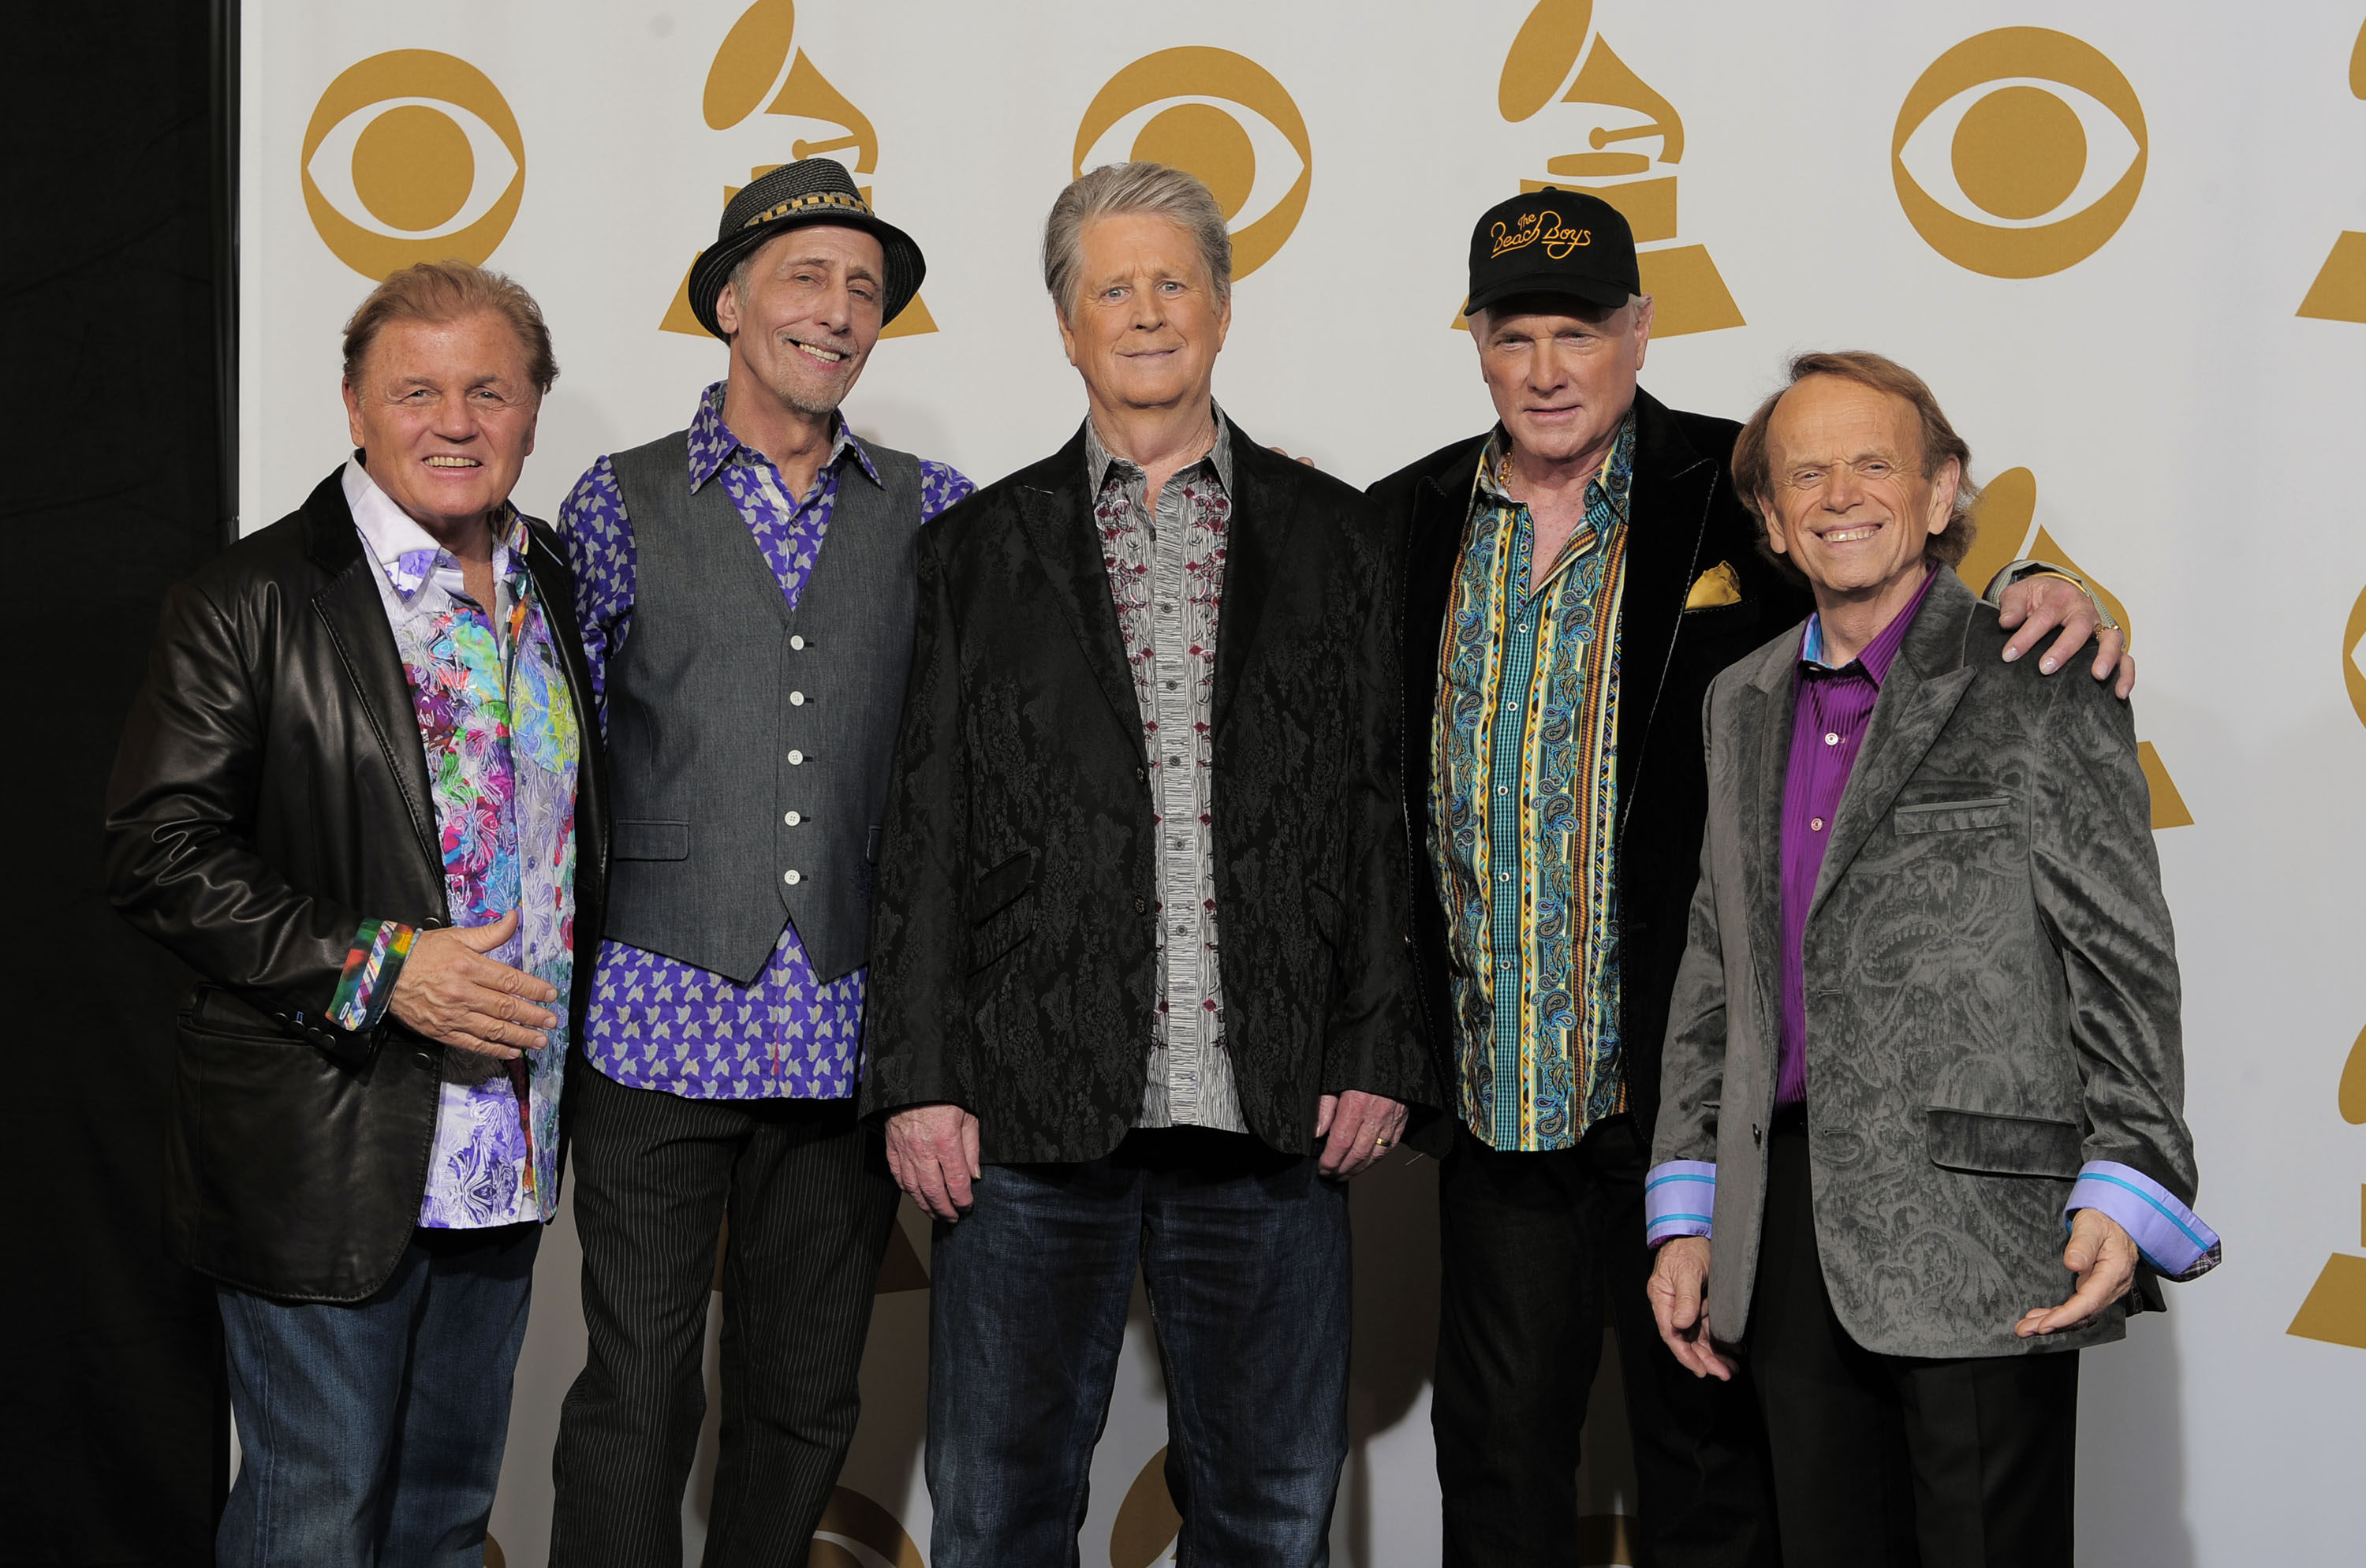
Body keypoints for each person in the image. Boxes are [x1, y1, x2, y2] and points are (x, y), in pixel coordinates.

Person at [1365, 192, 2131, 1568]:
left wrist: (2050, 587)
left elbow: (1907, 579)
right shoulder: (1402, 520)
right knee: (1496, 1473)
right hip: (1497, 1106)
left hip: (1708, 1105)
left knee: (1722, 1482)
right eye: (1515, 334)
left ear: (1640, 334)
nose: (1548, 367)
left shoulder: (1748, 483)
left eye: (1581, 333)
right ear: (1475, 342)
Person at [862, 162, 1431, 1566]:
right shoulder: (974, 554)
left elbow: (1376, 808)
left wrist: (1375, 1037)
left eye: (1174, 280)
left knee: (1273, 1505)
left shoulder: (1338, 538)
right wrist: (921, 1075)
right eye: (1111, 288)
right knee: (999, 1506)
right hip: (1029, 1095)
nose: (1146, 311)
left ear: (1224, 310)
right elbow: (924, 827)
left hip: (1274, 1091)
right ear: (1066, 328)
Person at [1645, 351, 2218, 1567]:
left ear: (1944, 488)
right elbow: (1716, 968)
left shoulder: (2036, 670)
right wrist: (1686, 1206)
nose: (1841, 493)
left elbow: (2120, 952)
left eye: (1874, 463)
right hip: (1785, 1228)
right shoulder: (1740, 697)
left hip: (1982, 1224)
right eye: (1807, 471)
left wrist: (2133, 1169)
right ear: (1769, 516)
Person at [104, 260, 605, 1567]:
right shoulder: (251, 600)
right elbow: (158, 852)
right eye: (418, 390)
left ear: (534, 410)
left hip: (508, 1142)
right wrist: (383, 970)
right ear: (353, 408)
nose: (456, 420)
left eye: (488, 389)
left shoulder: (553, 578)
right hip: (326, 1145)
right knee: (314, 1519)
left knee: (443, 1522)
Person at [545, 156, 971, 1566]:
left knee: (802, 1400)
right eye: (807, 277)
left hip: (843, 1037)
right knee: (639, 1391)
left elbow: (958, 776)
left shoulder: (936, 507)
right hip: (652, 1020)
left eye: (866, 290)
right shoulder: (612, 504)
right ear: (728, 303)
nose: (840, 311)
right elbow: (566, 759)